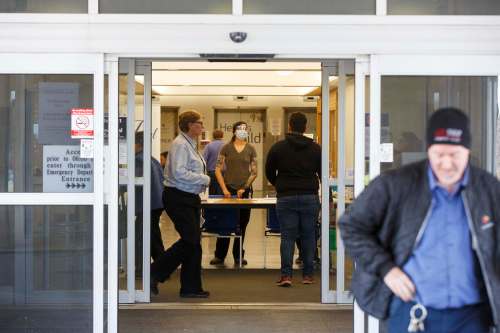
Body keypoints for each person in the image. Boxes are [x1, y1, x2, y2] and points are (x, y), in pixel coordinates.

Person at [339, 107, 499, 333]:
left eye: (454, 155)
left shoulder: (489, 190)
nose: (446, 163)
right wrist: (386, 269)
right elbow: (352, 225)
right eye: (439, 154)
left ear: (467, 151)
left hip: (471, 318)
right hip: (412, 312)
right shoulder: (396, 184)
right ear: (428, 150)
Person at [150, 110, 211, 298]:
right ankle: (155, 272)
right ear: (190, 125)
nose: (202, 126)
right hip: (178, 198)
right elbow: (179, 173)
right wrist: (204, 179)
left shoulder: (190, 144)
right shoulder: (180, 144)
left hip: (189, 198)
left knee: (194, 243)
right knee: (190, 240)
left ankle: (191, 287)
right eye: (199, 122)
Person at [265, 112, 321, 287]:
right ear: (305, 127)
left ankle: (286, 276)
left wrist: (280, 184)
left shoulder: (278, 147)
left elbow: (269, 171)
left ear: (289, 126)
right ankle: (308, 275)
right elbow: (322, 174)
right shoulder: (316, 148)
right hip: (309, 196)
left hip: (286, 197)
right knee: (309, 236)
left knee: (287, 237)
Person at [209, 121, 258, 266]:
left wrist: (245, 187)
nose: (243, 130)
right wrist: (224, 188)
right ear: (234, 131)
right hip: (227, 189)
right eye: (240, 128)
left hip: (244, 190)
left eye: (245, 128)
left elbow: (254, 172)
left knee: (242, 223)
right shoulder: (226, 148)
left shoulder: (251, 149)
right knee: (225, 221)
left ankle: (238, 255)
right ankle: (219, 255)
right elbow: (217, 169)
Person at [134, 132, 165, 275]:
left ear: (137, 144)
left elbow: (137, 182)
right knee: (153, 235)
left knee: (143, 236)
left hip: (147, 203)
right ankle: (162, 265)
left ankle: (143, 269)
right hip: (156, 202)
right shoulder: (152, 159)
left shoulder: (138, 160)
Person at [202, 129, 225, 195]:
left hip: (211, 173)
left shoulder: (208, 146)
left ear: (213, 136)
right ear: (222, 136)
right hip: (223, 173)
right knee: (222, 192)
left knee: (212, 193)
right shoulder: (226, 146)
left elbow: (204, 160)